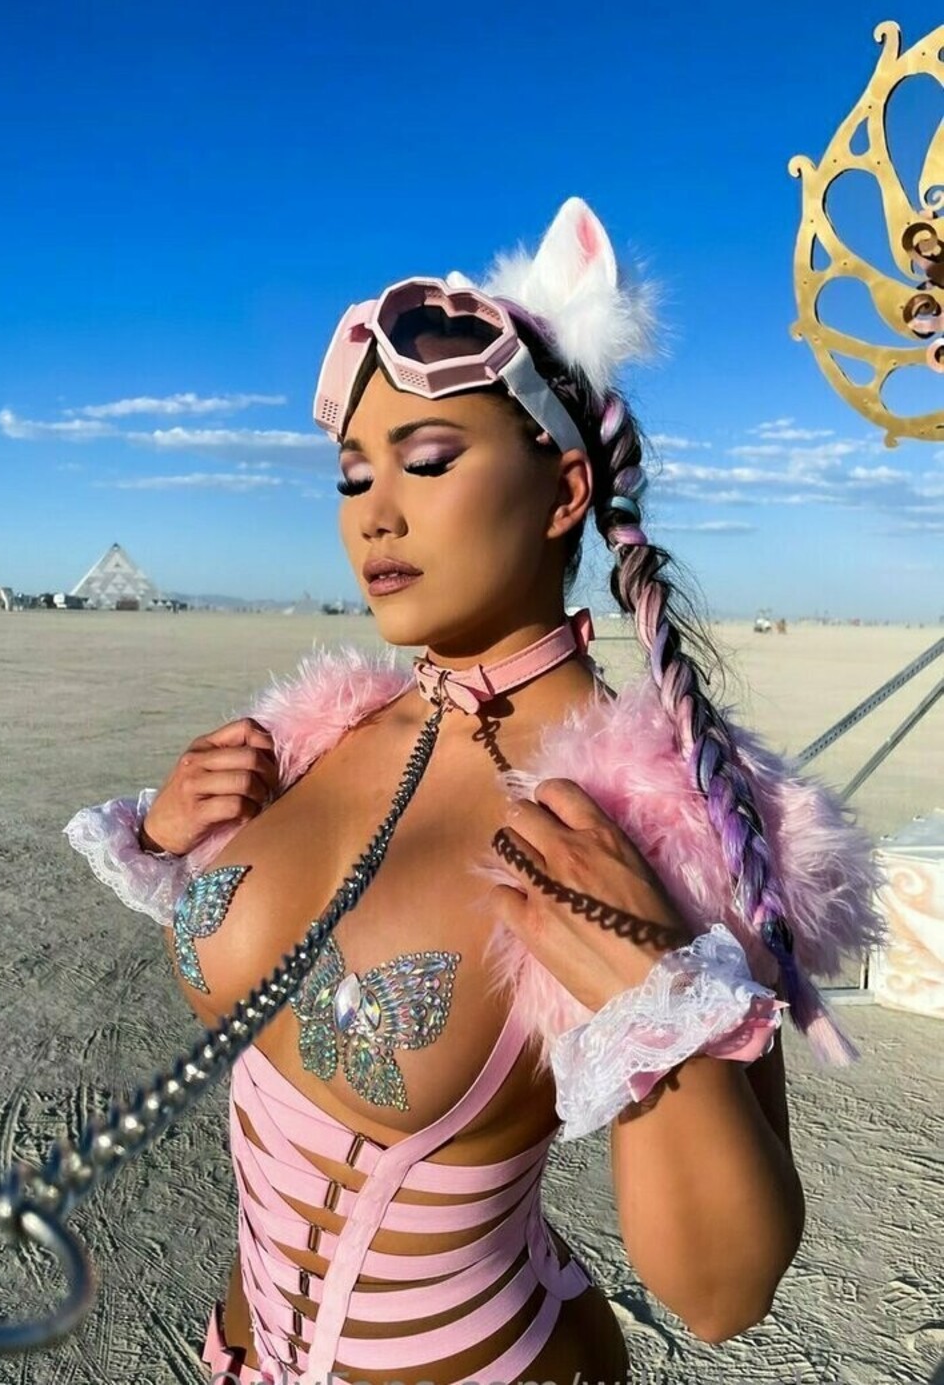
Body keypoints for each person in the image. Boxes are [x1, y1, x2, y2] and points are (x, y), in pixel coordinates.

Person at [66, 197, 886, 1385]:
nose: (374, 514)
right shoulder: (317, 738)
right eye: (354, 475)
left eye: (429, 460)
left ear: (563, 492)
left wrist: (664, 997)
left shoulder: (660, 814)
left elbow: (723, 1295)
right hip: (234, 1352)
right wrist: (164, 837)